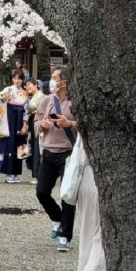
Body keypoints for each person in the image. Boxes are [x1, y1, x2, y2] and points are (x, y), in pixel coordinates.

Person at [35, 65, 78, 250]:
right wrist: (41, 125)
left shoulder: (75, 101)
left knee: (67, 194)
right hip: (48, 150)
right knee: (42, 191)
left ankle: (65, 236)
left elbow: (84, 123)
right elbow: (36, 120)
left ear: (64, 82)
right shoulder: (47, 100)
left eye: (55, 77)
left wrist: (69, 123)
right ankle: (57, 218)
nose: (51, 80)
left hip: (68, 152)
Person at [76, 143, 106, 271]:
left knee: (87, 229)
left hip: (84, 177)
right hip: (101, 176)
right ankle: (95, 270)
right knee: (101, 229)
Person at [0, 70, 28, 183]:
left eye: (19, 78)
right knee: (10, 144)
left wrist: (25, 124)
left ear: (22, 80)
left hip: (20, 119)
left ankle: (17, 173)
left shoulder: (25, 93)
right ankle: (8, 173)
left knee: (20, 143)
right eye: (15, 78)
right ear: (12, 79)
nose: (17, 81)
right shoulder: (8, 89)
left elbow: (26, 110)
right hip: (10, 118)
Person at [24, 76, 44, 184]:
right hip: (33, 120)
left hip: (38, 120)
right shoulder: (34, 96)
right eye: (26, 85)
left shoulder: (40, 96)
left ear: (36, 85)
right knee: (34, 145)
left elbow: (32, 107)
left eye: (29, 85)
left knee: (37, 147)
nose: (27, 87)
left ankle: (37, 174)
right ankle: (35, 172)